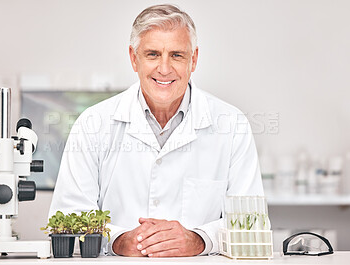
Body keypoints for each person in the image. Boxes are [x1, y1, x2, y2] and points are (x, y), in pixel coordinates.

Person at [49, 4, 263, 257]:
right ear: (133, 58)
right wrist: (117, 240)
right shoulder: (92, 124)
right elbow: (68, 216)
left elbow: (252, 222)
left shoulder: (232, 125)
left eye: (177, 55)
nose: (164, 68)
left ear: (193, 59)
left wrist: (199, 239)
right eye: (152, 54)